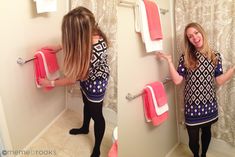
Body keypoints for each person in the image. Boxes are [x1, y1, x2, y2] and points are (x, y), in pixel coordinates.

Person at [39, 6, 110, 157]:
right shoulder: (91, 33)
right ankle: (85, 128)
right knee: (86, 103)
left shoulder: (95, 52)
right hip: (86, 77)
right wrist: (59, 47)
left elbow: (71, 79)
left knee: (97, 115)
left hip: (97, 83)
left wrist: (49, 83)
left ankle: (97, 147)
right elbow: (77, 42)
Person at [157, 22, 235, 157]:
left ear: (202, 33)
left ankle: (203, 154)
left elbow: (219, 80)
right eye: (190, 36)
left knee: (206, 132)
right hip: (192, 106)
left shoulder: (215, 55)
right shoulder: (186, 56)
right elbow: (177, 80)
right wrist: (169, 61)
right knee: (193, 139)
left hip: (209, 104)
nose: (194, 37)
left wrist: (233, 69)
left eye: (196, 33)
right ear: (188, 40)